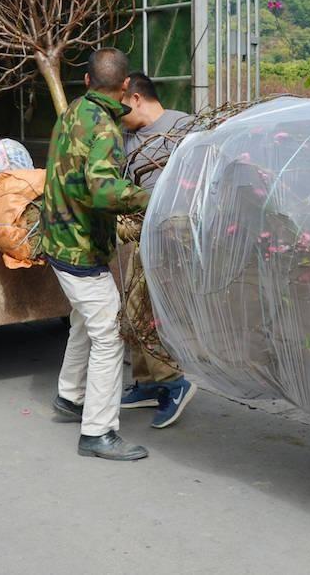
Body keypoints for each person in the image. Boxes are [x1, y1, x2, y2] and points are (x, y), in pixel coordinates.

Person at [41, 48, 152, 461]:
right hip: (80, 248)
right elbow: (104, 192)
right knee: (109, 333)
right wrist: (149, 197)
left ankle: (69, 398)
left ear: (86, 81)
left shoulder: (75, 110)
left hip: (56, 237)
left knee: (84, 322)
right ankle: (98, 432)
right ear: (126, 87)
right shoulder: (106, 129)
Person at [118, 73, 198, 428]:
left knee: (151, 311)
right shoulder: (126, 138)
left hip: (174, 231)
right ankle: (148, 383)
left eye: (119, 107)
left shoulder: (185, 128)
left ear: (136, 98)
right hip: (141, 231)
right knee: (133, 311)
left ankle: (174, 382)